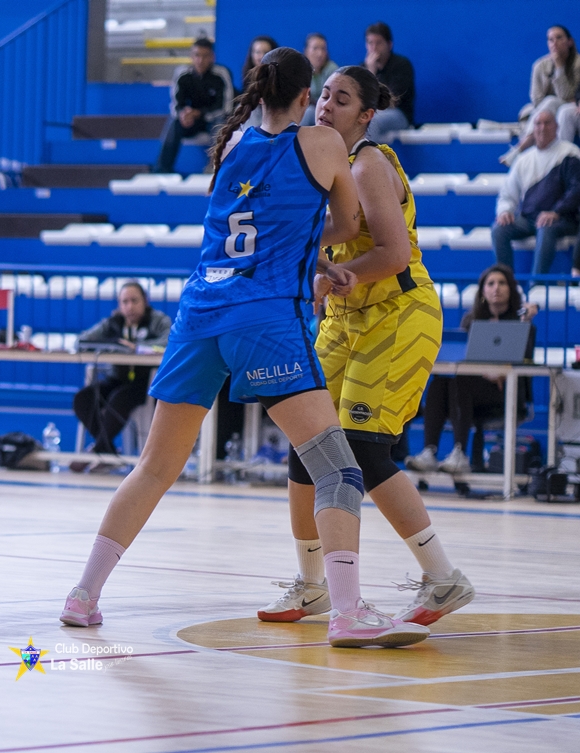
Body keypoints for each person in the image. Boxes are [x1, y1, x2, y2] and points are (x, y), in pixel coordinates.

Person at [60, 47, 430, 649]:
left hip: (198, 313)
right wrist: (321, 261)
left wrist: (306, 254)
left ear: (258, 92)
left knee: (153, 467)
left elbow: (255, 229)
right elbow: (345, 223)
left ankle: (83, 595)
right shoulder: (322, 144)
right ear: (306, 97)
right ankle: (347, 613)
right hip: (263, 317)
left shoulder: (231, 145)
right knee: (337, 468)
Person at [258, 65, 474, 629]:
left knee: (361, 447)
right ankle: (311, 584)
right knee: (306, 438)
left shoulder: (369, 162)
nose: (327, 105)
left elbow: (393, 253)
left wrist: (336, 273)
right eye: (324, 94)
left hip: (398, 313)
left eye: (342, 99)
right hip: (345, 319)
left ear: (367, 114)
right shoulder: (318, 164)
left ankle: (443, 576)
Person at [407, 264, 538, 475]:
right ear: (483, 290)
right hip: (470, 390)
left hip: (505, 391)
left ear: (511, 289)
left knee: (461, 382)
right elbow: (461, 356)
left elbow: (525, 359)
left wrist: (525, 321)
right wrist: (484, 373)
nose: (496, 288)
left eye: (502, 283)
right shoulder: (471, 320)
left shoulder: (521, 321)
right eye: (491, 283)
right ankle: (429, 452)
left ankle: (460, 453)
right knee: (441, 381)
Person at [71, 282, 170, 467]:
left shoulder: (158, 320)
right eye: (125, 302)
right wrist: (109, 343)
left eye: (134, 301)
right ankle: (106, 450)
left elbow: (169, 342)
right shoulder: (113, 323)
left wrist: (138, 348)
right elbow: (81, 342)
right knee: (83, 398)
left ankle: (98, 450)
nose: (129, 306)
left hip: (146, 383)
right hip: (117, 379)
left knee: (119, 398)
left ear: (145, 301)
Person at [492, 109, 580, 276]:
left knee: (546, 227)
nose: (542, 128)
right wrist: (505, 211)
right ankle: (506, 280)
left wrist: (556, 211)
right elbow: (508, 193)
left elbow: (576, 189)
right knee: (499, 229)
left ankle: (537, 284)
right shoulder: (523, 159)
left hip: (563, 218)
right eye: (538, 124)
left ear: (556, 127)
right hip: (529, 218)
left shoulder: (570, 153)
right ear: (533, 129)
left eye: (547, 123)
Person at [153, 38, 234, 174]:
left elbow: (226, 107)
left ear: (212, 57)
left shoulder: (221, 74)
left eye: (205, 56)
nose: (200, 60)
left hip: (213, 119)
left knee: (221, 125)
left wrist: (200, 113)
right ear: (191, 56)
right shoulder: (182, 74)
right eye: (197, 55)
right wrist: (183, 115)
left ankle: (215, 169)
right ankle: (162, 168)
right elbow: (176, 104)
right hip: (192, 121)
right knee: (174, 122)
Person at [502, 25, 580, 165]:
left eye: (559, 38)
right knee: (550, 102)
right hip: (548, 109)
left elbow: (565, 94)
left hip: (571, 109)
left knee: (559, 107)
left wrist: (559, 67)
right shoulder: (540, 65)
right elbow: (537, 100)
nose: (554, 43)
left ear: (570, 42)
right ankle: (525, 148)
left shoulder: (577, 64)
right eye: (550, 39)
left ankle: (524, 149)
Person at [361, 22, 414, 141]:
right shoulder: (362, 68)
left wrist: (371, 75)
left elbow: (392, 101)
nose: (374, 47)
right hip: (372, 112)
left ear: (389, 45)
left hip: (399, 114)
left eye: (378, 43)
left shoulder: (401, 65)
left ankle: (368, 154)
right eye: (370, 43)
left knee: (371, 121)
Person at [238, 36, 278, 131]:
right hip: (255, 114)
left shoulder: (280, 76)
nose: (262, 56)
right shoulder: (247, 75)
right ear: (252, 55)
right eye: (258, 52)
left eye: (266, 52)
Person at [301, 33, 338, 126]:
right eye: (315, 48)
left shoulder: (333, 70)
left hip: (328, 109)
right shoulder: (300, 71)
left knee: (309, 112)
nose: (320, 54)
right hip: (305, 109)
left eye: (323, 49)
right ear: (306, 51)